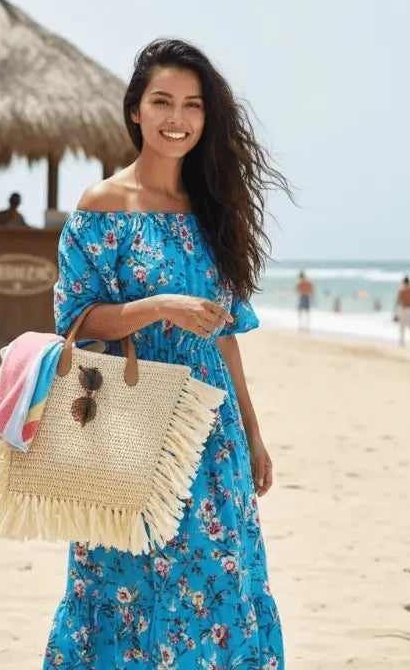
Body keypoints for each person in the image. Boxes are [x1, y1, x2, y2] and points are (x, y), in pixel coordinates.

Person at [43, 39, 287, 669]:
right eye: (162, 101)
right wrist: (160, 306)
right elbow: (75, 320)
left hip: (212, 427)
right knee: (122, 578)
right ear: (136, 112)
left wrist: (254, 433)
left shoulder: (212, 211)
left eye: (192, 105)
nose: (177, 116)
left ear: (207, 118)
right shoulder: (102, 206)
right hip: (126, 419)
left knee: (218, 581)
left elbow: (225, 333)